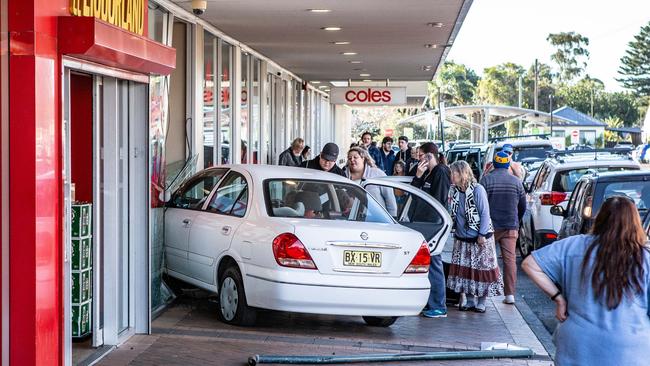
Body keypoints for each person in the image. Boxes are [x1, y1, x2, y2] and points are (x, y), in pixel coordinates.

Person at [522, 196, 650, 365]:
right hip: (631, 351)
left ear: (600, 218)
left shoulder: (573, 245)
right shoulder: (644, 258)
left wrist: (558, 298)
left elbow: (529, 264)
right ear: (635, 222)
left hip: (578, 347)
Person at [447, 161, 503, 313]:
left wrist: (482, 234)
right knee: (466, 270)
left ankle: (481, 301)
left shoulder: (478, 190)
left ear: (463, 173)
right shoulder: (454, 191)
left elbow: (485, 213)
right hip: (462, 237)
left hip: (479, 237)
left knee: (481, 269)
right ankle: (470, 300)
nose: (451, 176)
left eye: (454, 173)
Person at [480, 152, 526, 305]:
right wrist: (516, 220)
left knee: (485, 260)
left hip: (490, 228)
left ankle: (484, 295)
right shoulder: (517, 182)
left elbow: (480, 205)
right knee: (510, 261)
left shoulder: (486, 180)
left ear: (494, 163)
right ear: (508, 164)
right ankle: (510, 295)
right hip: (510, 226)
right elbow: (522, 206)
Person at [410, 149, 452, 319]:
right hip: (423, 222)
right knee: (427, 262)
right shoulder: (426, 173)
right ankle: (430, 302)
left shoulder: (441, 171)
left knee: (434, 261)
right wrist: (419, 176)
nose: (419, 158)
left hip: (434, 223)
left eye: (422, 155)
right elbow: (413, 193)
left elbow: (438, 199)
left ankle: (438, 305)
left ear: (431, 156)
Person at [343, 146, 397, 216]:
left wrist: (393, 218)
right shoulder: (343, 175)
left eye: (355, 157)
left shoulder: (377, 174)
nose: (352, 160)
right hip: (350, 220)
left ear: (363, 158)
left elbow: (390, 199)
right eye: (349, 158)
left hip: (377, 220)